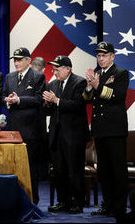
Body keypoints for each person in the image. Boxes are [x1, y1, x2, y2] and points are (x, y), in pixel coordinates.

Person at [83, 42, 129, 222]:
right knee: (105, 171)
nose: (100, 58)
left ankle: (119, 208)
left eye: (104, 55)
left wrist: (97, 86)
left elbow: (118, 96)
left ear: (112, 57)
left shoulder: (120, 73)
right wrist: (88, 86)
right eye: (99, 55)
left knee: (117, 171)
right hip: (100, 129)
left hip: (115, 129)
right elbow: (87, 99)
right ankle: (107, 205)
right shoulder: (97, 74)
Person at [44, 55, 89, 214]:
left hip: (73, 136)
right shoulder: (53, 84)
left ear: (68, 69)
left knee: (74, 171)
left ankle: (77, 202)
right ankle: (63, 201)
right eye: (53, 69)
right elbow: (49, 111)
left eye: (57, 69)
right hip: (56, 135)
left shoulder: (80, 82)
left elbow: (78, 105)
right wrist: (48, 104)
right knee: (59, 171)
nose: (54, 72)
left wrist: (56, 100)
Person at [3, 47, 46, 205]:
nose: (16, 62)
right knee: (14, 167)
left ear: (29, 60)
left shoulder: (38, 77)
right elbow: (3, 96)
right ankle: (15, 200)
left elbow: (38, 100)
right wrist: (7, 101)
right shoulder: (9, 77)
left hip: (31, 131)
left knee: (31, 168)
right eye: (14, 59)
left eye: (19, 59)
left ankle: (32, 200)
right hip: (13, 130)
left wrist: (19, 100)